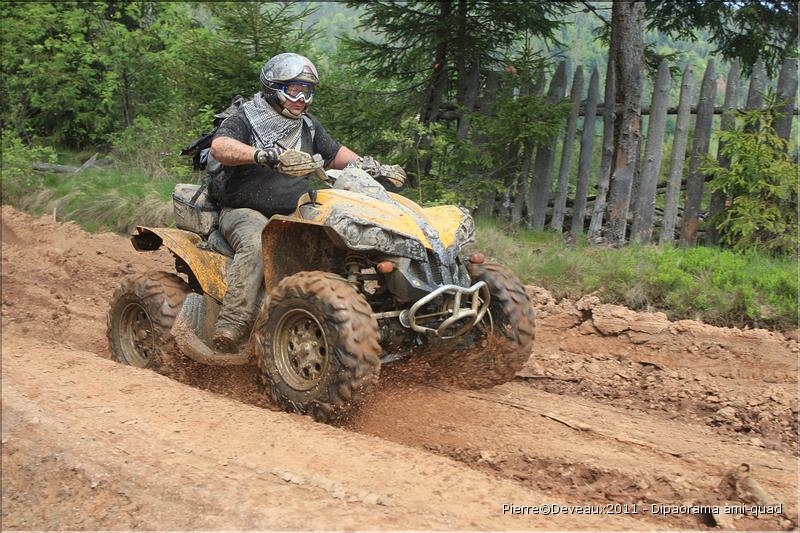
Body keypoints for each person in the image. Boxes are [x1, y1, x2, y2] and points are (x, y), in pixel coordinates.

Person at [209, 52, 404, 353]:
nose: (302, 98)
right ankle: (232, 324)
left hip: (294, 210)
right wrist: (261, 154)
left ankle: (360, 317)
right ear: (273, 88)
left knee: (342, 238)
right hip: (244, 210)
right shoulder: (246, 118)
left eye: (308, 91)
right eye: (294, 90)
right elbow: (220, 147)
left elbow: (339, 155)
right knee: (257, 244)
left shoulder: (308, 127)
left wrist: (375, 168)